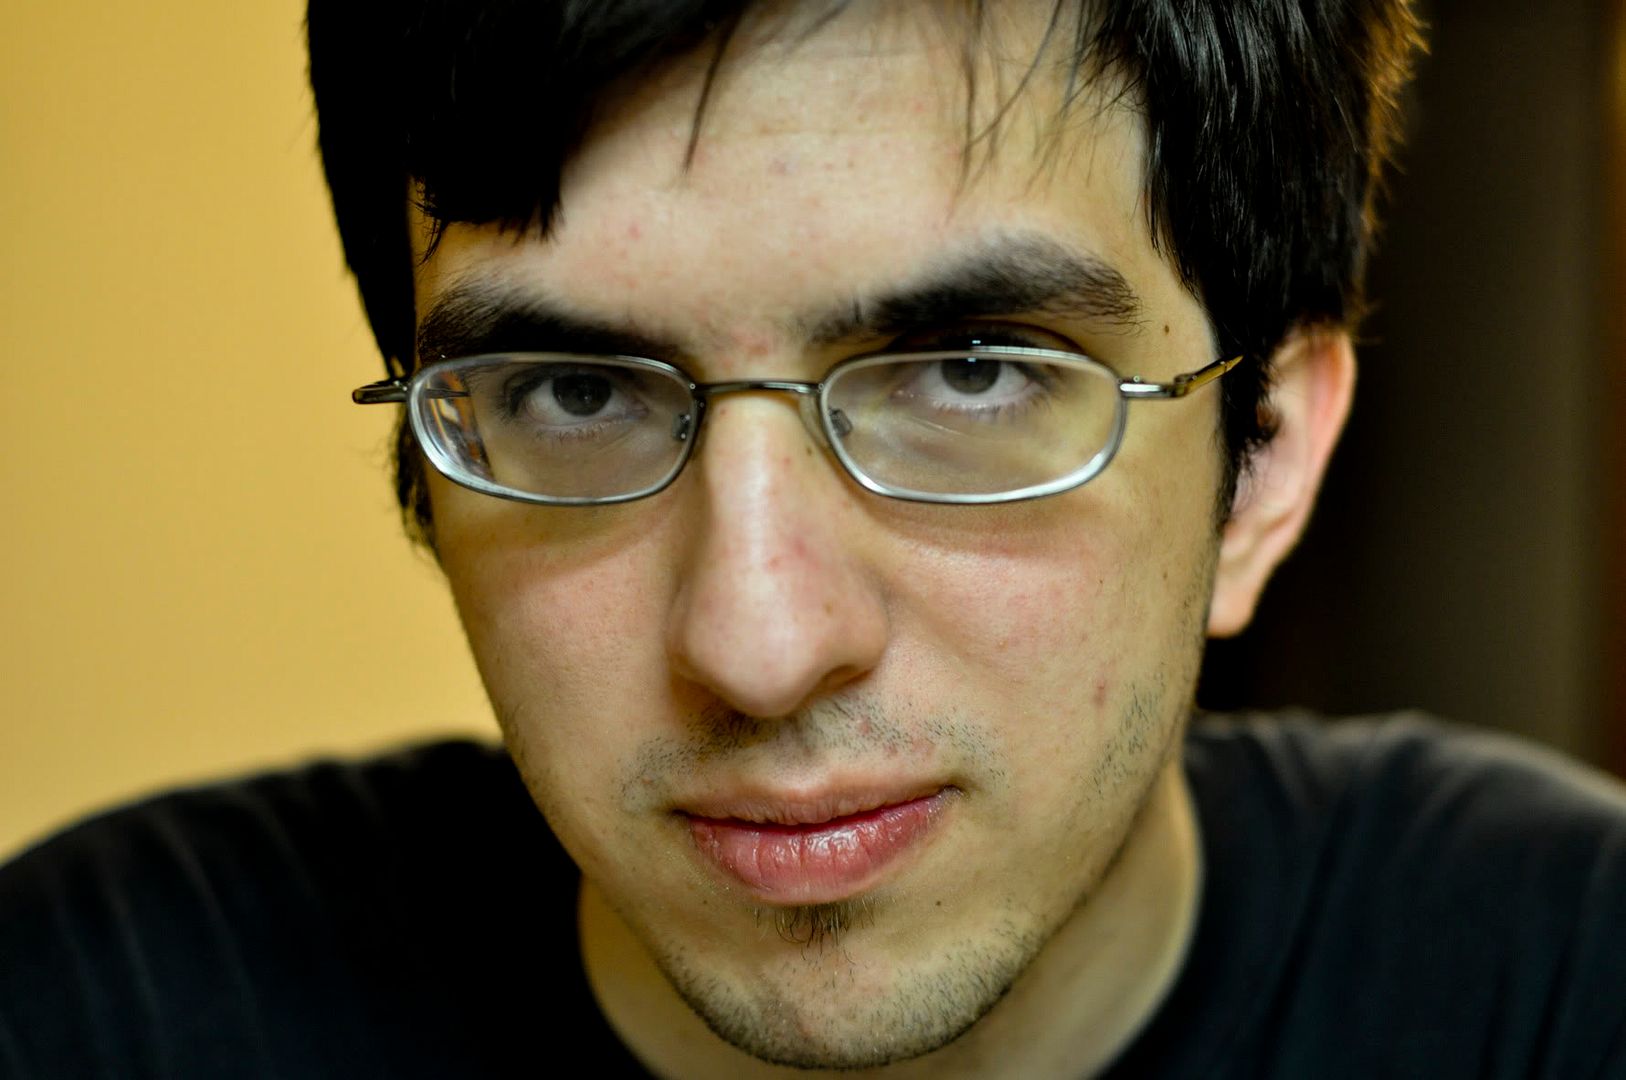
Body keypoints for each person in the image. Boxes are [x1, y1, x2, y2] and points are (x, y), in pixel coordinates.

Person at [3, 1, 1624, 1076]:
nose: (758, 644)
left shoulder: (1565, 989)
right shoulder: (98, 1010)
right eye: (576, 391)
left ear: (1258, 460)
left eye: (970, 372)